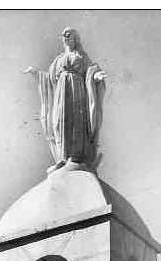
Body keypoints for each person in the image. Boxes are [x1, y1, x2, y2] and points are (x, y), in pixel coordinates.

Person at [24, 27, 106, 171]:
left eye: (69, 35)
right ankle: (63, 157)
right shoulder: (59, 59)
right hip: (61, 93)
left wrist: (96, 77)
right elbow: (49, 78)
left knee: (76, 121)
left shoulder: (82, 56)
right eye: (64, 35)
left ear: (76, 39)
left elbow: (91, 70)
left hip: (77, 90)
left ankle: (75, 157)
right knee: (59, 121)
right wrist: (36, 73)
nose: (66, 37)